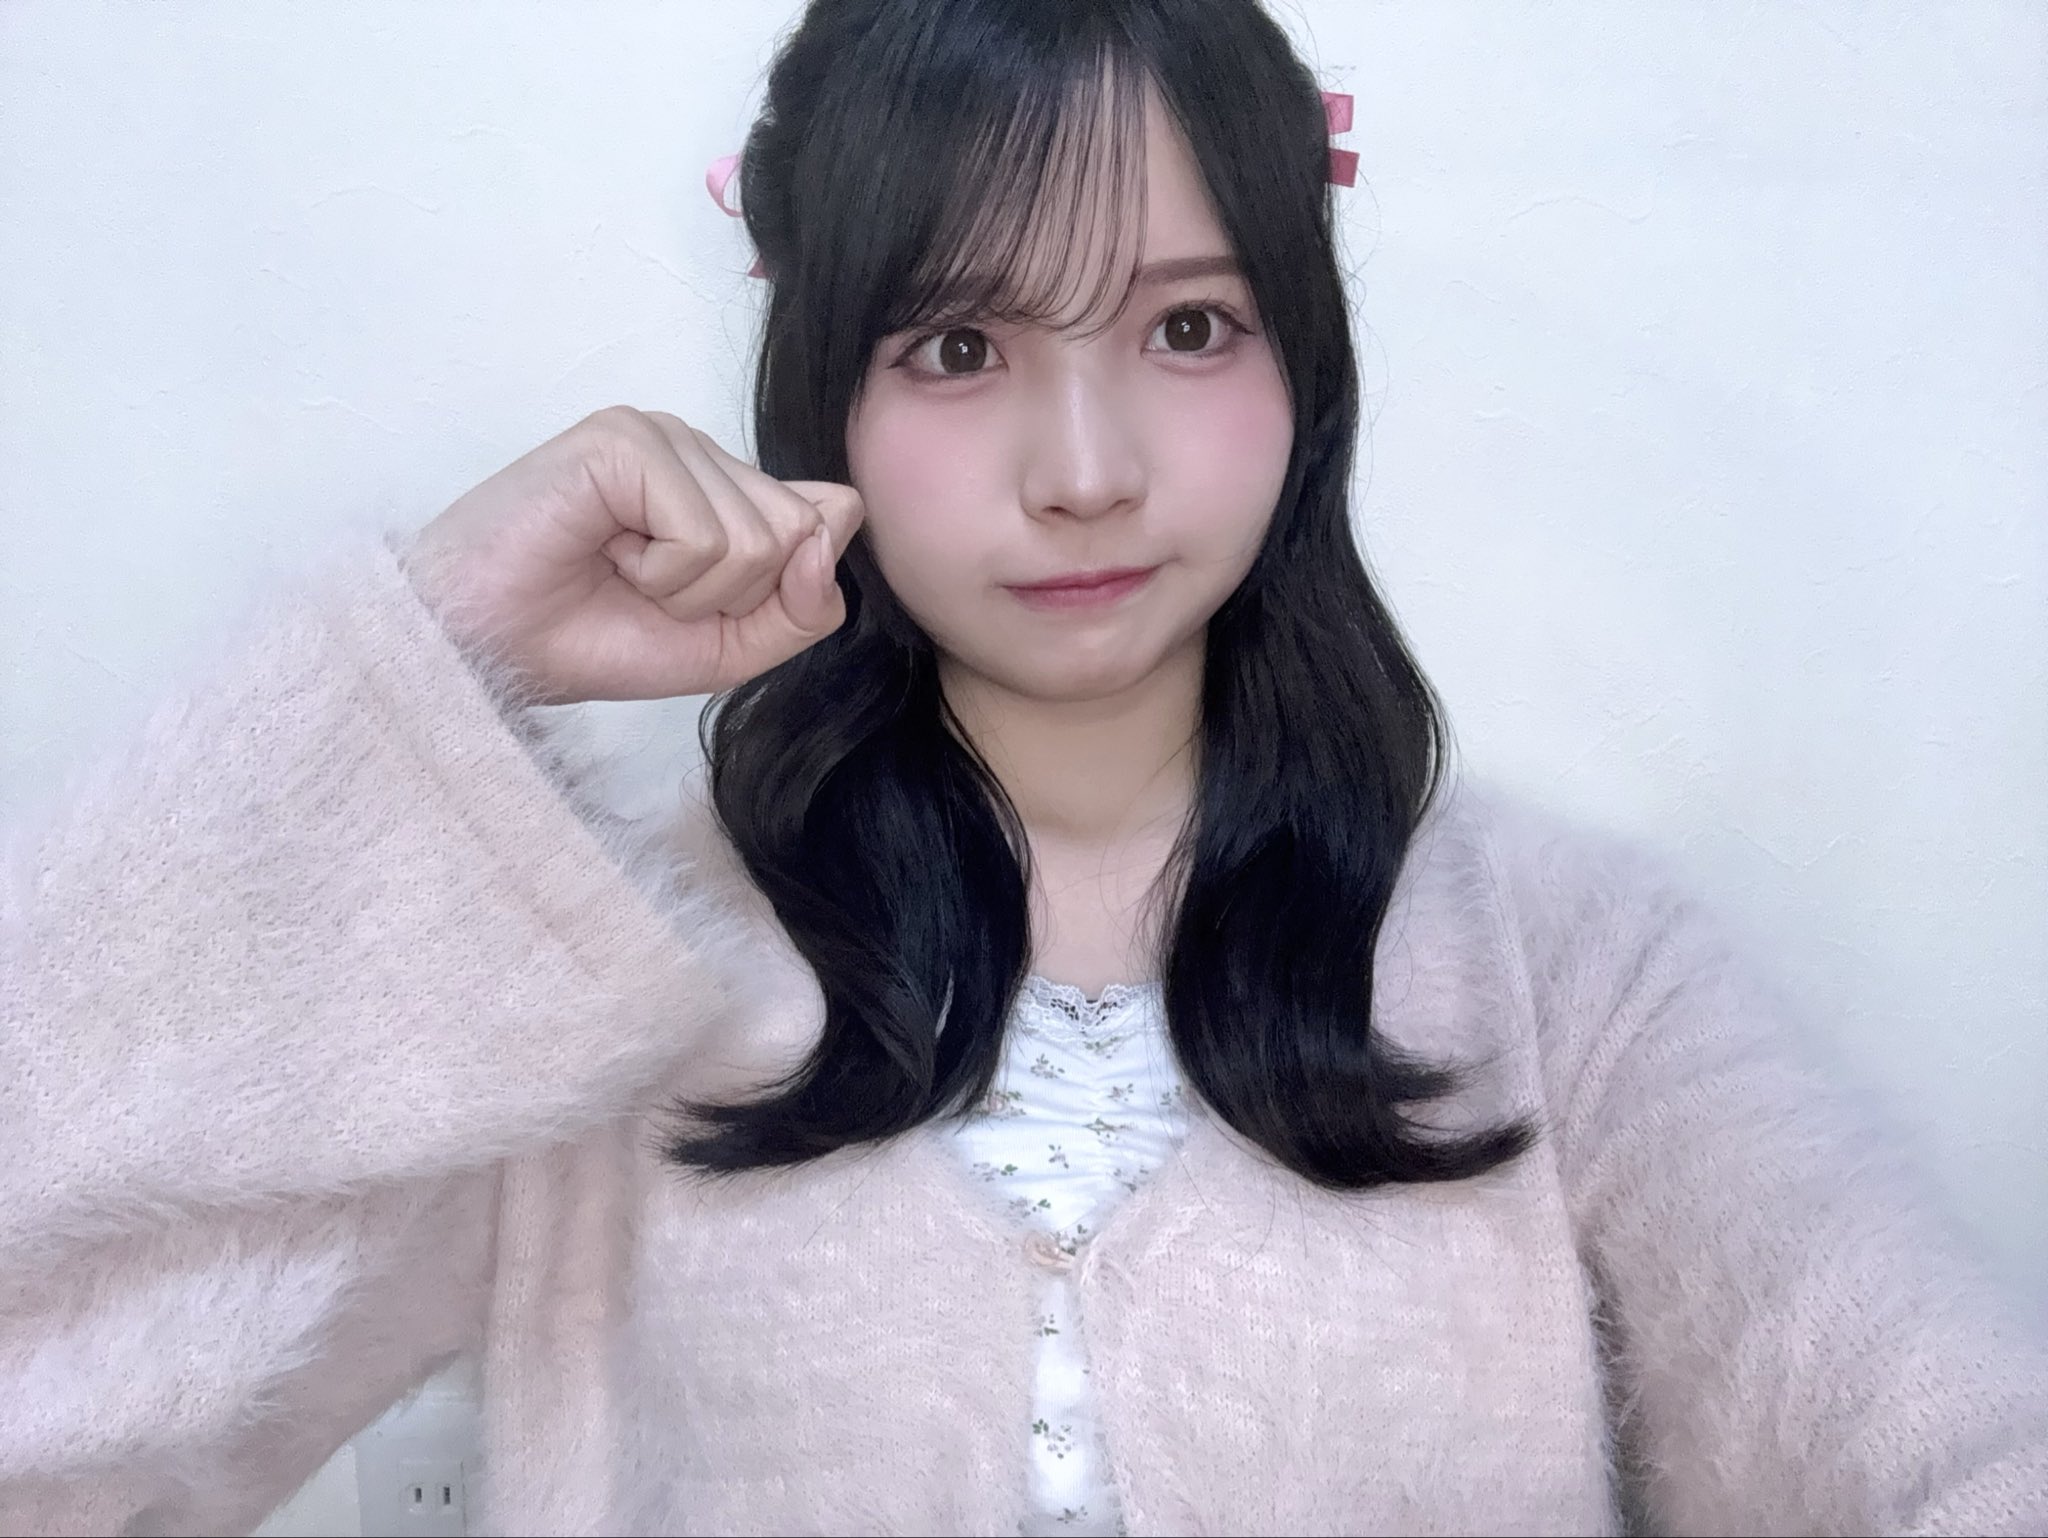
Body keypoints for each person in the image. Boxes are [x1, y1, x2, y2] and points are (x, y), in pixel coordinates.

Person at [3, 1, 2044, 1533]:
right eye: (961, 348)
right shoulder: (596, 987)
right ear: (821, 383)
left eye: (1187, 328)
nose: (1084, 469)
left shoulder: (1574, 970)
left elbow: (1948, 1445)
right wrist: (423, 668)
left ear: (1305, 362)